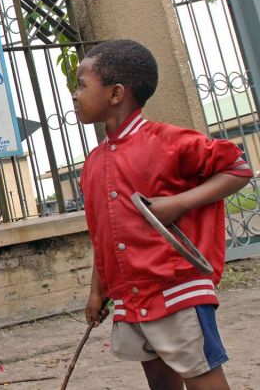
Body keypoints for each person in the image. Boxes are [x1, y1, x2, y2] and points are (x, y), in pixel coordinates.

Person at [74, 39, 252, 390]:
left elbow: (238, 168)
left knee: (201, 375)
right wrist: (98, 291)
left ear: (115, 94)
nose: (74, 94)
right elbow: (103, 233)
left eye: (81, 85)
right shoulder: (93, 164)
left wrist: (179, 203)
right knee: (159, 381)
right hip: (131, 296)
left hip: (177, 289)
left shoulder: (167, 142)